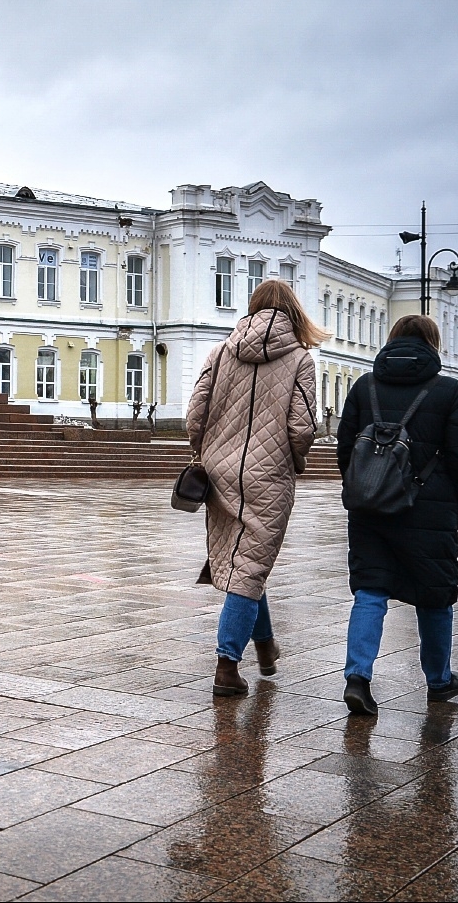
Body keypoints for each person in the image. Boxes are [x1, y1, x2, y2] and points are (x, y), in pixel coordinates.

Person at [187, 279, 326, 697]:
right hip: (269, 476)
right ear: (293, 311)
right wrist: (293, 460)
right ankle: (227, 666)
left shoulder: (220, 351)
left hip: (219, 472)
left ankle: (265, 646)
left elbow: (196, 413)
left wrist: (204, 451)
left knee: (246, 563)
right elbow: (302, 427)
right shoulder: (300, 359)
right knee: (249, 565)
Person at [336, 314, 458, 715]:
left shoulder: (365, 387)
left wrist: (366, 485)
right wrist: (452, 500)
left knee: (370, 589)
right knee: (434, 595)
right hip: (428, 509)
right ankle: (439, 680)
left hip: (370, 508)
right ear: (432, 344)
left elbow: (345, 447)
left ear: (392, 341)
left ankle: (358, 677)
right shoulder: (450, 391)